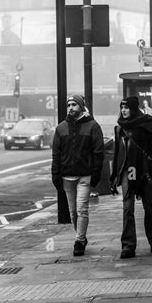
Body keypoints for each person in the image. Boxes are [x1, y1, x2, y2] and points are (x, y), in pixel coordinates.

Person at [110, 96, 152, 259]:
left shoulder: (147, 124)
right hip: (127, 172)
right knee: (127, 208)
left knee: (148, 205)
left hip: (145, 171)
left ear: (134, 108)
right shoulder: (119, 128)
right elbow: (117, 154)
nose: (123, 110)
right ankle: (128, 246)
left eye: (127, 107)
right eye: (122, 107)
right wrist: (114, 176)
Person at [51, 94, 104, 257]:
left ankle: (79, 240)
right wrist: (55, 174)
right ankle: (80, 236)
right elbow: (56, 154)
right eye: (69, 105)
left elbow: (98, 152)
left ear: (81, 106)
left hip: (85, 176)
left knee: (82, 209)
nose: (71, 108)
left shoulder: (93, 126)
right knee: (73, 212)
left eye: (74, 105)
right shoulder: (61, 128)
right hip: (67, 176)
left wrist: (95, 173)